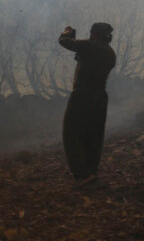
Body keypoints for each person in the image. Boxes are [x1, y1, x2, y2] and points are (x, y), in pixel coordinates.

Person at [58, 23, 116, 189]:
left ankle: (82, 174)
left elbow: (64, 42)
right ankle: (90, 173)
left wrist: (67, 33)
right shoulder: (110, 54)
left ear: (95, 34)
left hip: (82, 95)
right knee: (93, 136)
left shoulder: (90, 46)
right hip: (100, 96)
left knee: (71, 132)